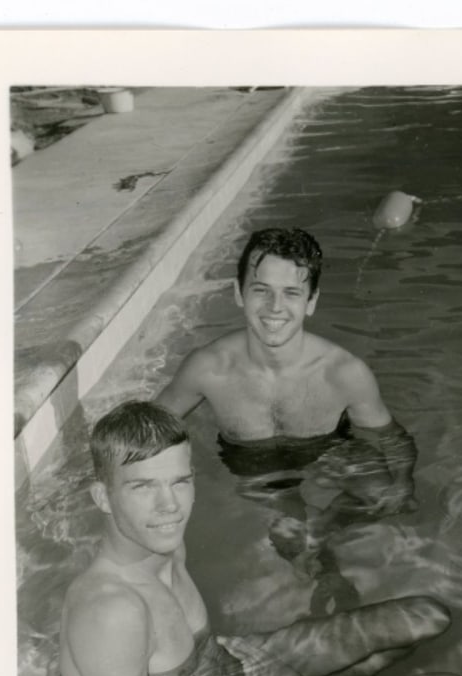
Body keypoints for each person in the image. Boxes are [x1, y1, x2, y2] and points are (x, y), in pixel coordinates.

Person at [49, 401, 462, 676]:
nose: (170, 506)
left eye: (180, 481)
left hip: (241, 663)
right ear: (102, 497)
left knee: (427, 615)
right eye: (143, 487)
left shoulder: (161, 544)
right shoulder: (113, 611)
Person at [156, 227, 417, 608]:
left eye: (291, 293)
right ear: (237, 292)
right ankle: (327, 577)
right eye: (261, 289)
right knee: (289, 529)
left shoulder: (344, 372)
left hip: (328, 447)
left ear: (311, 301)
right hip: (253, 461)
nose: (275, 307)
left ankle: (326, 524)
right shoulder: (208, 368)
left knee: (386, 496)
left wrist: (405, 481)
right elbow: (146, 429)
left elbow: (392, 436)